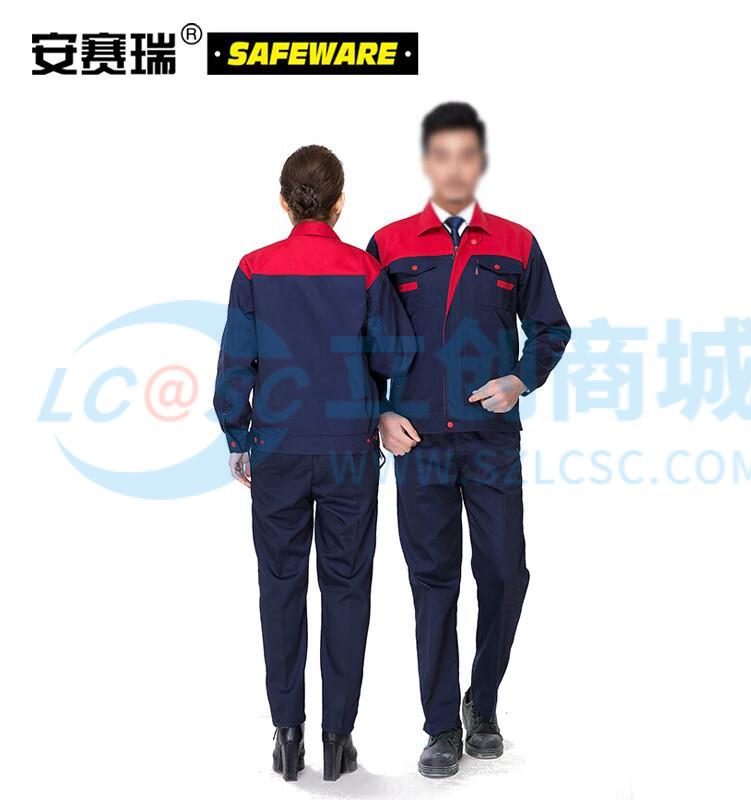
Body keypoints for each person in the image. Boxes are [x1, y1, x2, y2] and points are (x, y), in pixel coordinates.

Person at [366, 103, 571, 778]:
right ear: (428, 163)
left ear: (479, 163)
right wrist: (379, 412)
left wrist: (521, 379)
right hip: (419, 441)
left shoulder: (515, 242)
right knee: (434, 583)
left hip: (490, 439)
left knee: (506, 572)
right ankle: (439, 728)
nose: (454, 167)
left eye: (466, 155)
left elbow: (551, 328)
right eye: (442, 155)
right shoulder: (389, 244)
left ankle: (482, 703)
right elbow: (359, 340)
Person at [214, 145, 416, 782]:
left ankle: (286, 735)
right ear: (339, 202)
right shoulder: (363, 270)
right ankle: (337, 738)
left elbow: (236, 361)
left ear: (283, 201)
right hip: (348, 451)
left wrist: (238, 436)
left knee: (279, 586)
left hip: (276, 449)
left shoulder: (253, 269)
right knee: (347, 585)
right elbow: (395, 355)